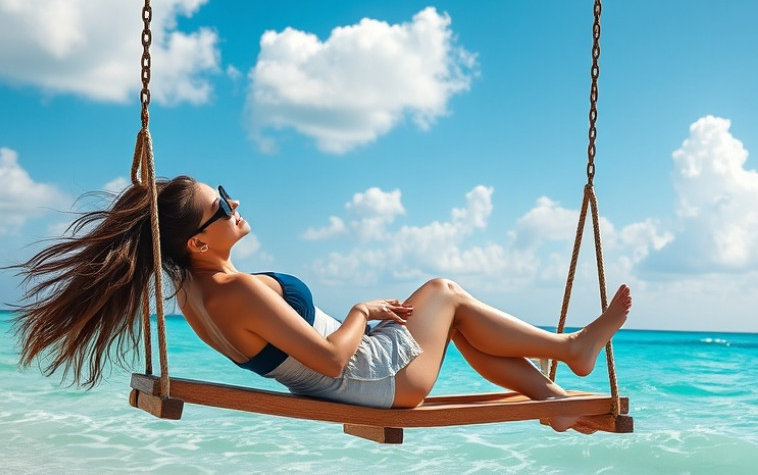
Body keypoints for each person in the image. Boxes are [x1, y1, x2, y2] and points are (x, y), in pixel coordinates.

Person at [11, 176, 632, 434]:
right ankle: (570, 352)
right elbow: (333, 360)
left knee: (457, 317)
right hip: (372, 378)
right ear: (198, 242)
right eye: (220, 206)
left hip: (358, 374)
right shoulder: (236, 290)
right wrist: (361, 310)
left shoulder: (192, 292)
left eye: (224, 193)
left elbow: (306, 360)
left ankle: (553, 398)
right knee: (444, 292)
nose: (232, 204)